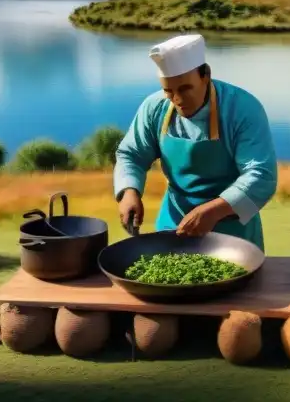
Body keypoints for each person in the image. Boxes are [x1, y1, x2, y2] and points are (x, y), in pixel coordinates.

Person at [113, 34, 278, 251]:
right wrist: (129, 191)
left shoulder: (243, 108)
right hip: (174, 225)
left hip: (233, 228)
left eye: (185, 89)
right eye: (168, 91)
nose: (177, 99)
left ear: (205, 75)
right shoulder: (154, 108)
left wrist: (213, 211)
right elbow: (132, 154)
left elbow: (261, 175)